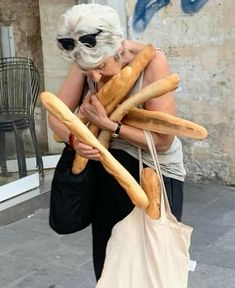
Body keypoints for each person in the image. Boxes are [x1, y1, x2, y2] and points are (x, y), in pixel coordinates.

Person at [48, 3, 186, 281]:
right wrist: (76, 139)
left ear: (119, 47)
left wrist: (110, 125)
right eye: (88, 70)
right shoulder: (85, 54)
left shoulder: (152, 62)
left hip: (152, 170)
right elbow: (56, 117)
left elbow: (162, 140)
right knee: (110, 260)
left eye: (101, 67)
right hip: (106, 168)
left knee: (149, 264)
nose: (95, 77)